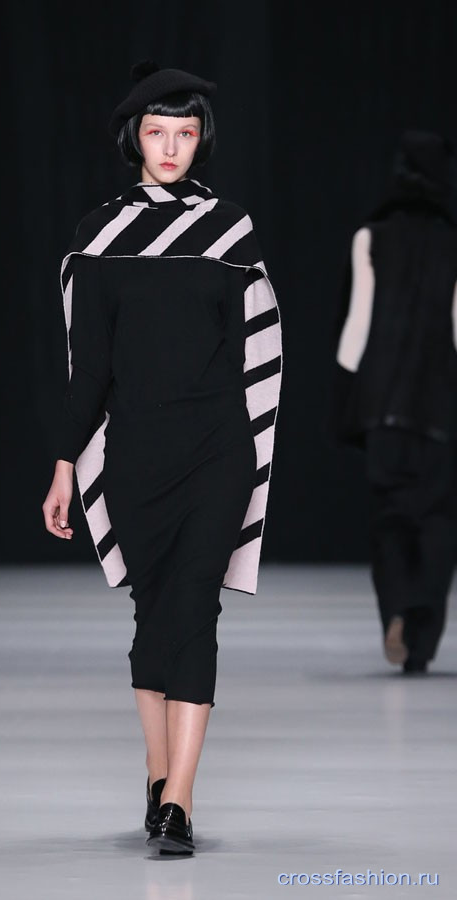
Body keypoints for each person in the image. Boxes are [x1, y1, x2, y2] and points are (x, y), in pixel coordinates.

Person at [42, 60, 282, 855]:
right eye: (156, 132)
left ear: (201, 138)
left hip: (218, 450)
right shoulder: (100, 236)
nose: (171, 147)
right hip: (137, 454)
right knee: (154, 619)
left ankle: (179, 798)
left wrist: (256, 453)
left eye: (185, 132)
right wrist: (65, 466)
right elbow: (89, 370)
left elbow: (258, 354)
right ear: (134, 140)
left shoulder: (230, 232)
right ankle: (157, 773)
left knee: (195, 610)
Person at [334, 130, 457, 676]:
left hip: (381, 402)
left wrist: (346, 399)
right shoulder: (452, 241)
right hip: (439, 405)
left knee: (390, 517)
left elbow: (356, 329)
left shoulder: (371, 237)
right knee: (437, 518)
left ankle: (397, 613)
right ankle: (422, 636)